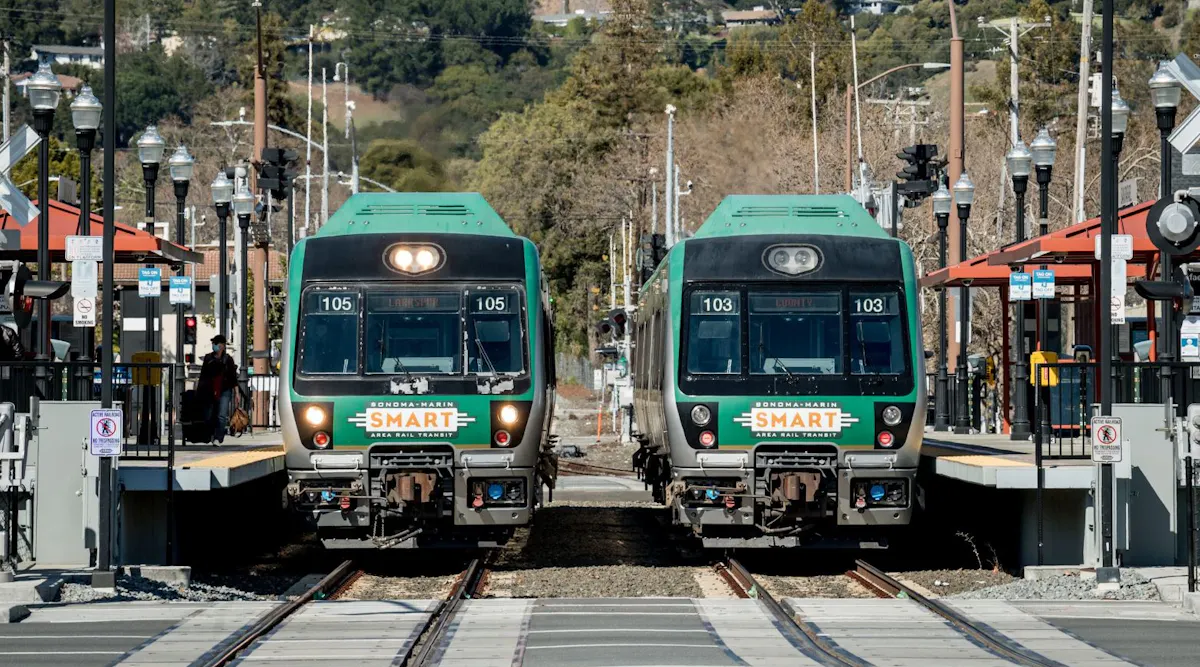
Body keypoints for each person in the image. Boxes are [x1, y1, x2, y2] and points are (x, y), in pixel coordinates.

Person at [197, 334, 238, 444]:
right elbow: (203, 375)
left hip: (224, 390)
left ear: (222, 346)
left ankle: (218, 438)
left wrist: (237, 393)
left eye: (216, 344)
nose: (214, 346)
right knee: (209, 415)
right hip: (209, 390)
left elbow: (233, 378)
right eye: (213, 344)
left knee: (222, 415)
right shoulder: (208, 358)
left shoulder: (228, 359)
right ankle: (210, 434)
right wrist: (199, 390)